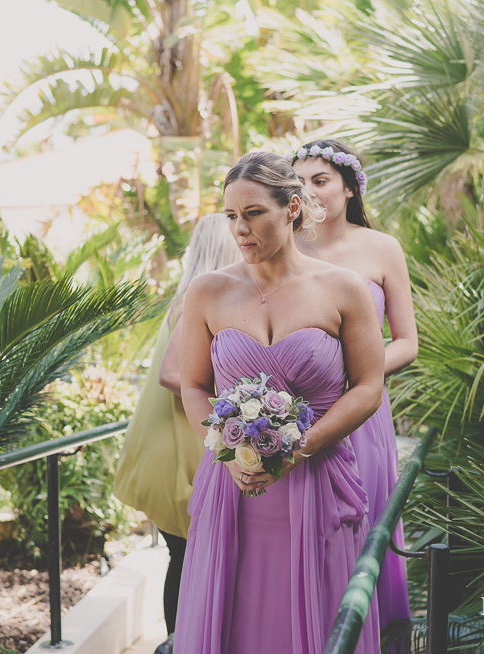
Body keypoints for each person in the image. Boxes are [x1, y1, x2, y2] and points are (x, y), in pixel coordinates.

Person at [173, 152, 385, 654]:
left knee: (320, 619)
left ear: (292, 209)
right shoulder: (207, 292)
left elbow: (368, 387)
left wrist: (297, 448)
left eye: (253, 214)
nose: (240, 229)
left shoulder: (343, 288)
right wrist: (230, 452)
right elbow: (193, 387)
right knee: (236, 616)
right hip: (233, 486)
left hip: (318, 480)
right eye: (231, 216)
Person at [289, 139, 420, 628]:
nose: (309, 192)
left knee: (361, 519)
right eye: (298, 183)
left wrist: (360, 375)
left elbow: (407, 341)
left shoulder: (381, 248)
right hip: (299, 409)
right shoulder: (288, 249)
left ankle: (367, 628)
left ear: (349, 187)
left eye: (320, 180)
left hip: (362, 411)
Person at [112, 213, 241, 654]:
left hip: (173, 447)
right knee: (186, 559)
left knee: (186, 559)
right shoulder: (196, 298)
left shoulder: (198, 296)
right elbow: (172, 373)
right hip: (177, 453)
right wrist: (235, 396)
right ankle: (177, 645)